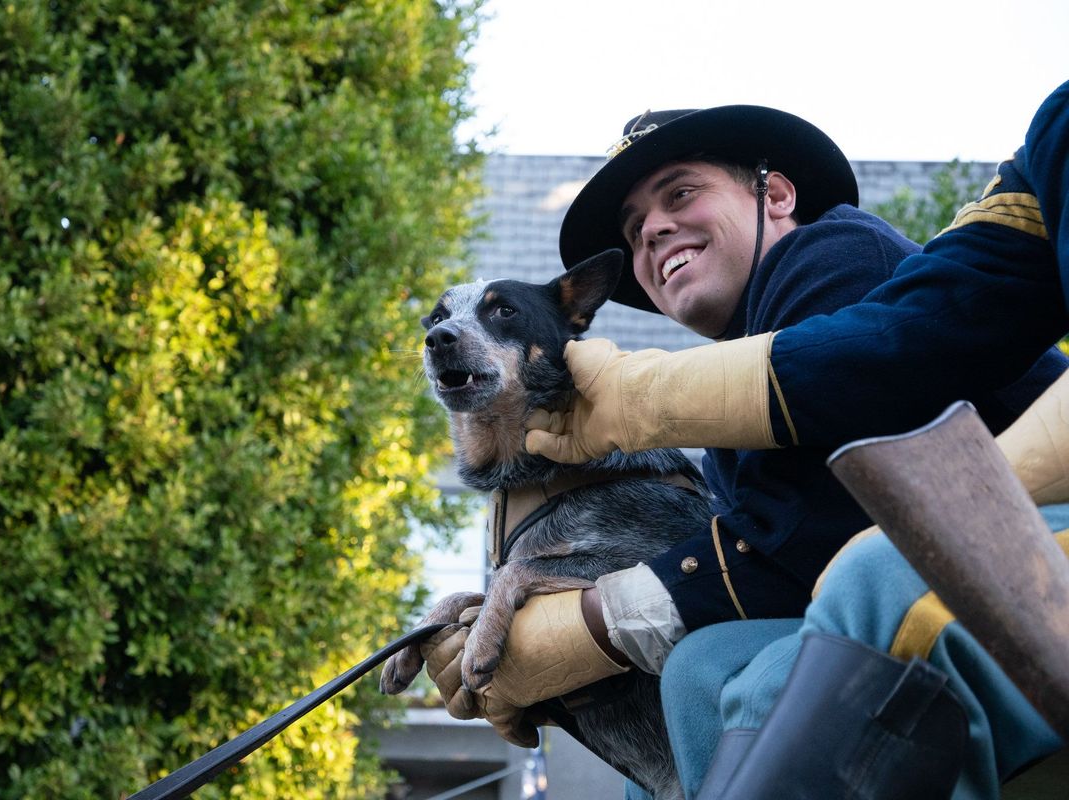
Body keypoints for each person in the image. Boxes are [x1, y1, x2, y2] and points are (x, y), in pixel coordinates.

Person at [420, 99, 1068, 794]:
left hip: (1021, 534)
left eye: (682, 193)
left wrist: (596, 625)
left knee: (863, 587)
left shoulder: (833, 254)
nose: (655, 230)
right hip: (957, 563)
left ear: (778, 194)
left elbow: (825, 516)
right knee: (700, 670)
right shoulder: (727, 436)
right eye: (636, 231)